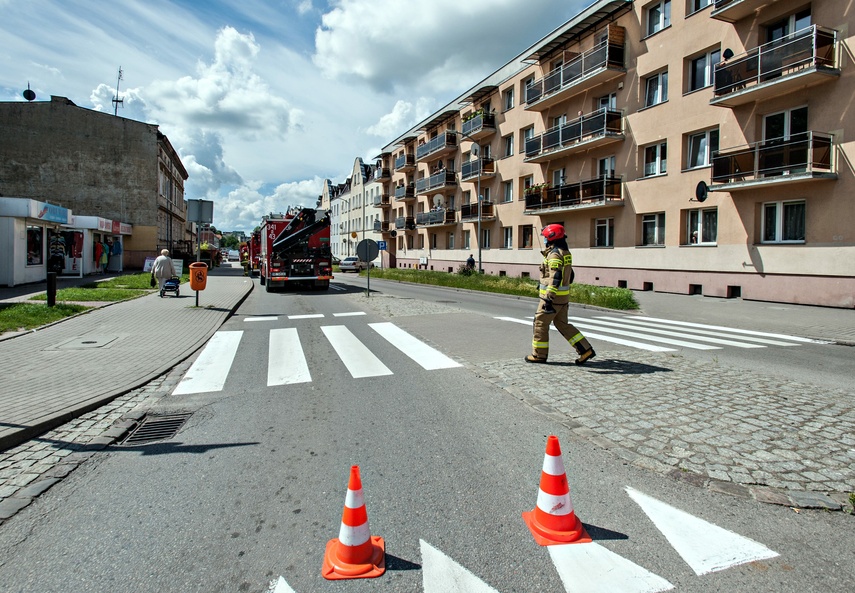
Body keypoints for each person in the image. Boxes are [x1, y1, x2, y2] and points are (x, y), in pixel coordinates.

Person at [525, 224, 596, 365]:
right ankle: (585, 349)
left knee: (540, 323)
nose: (544, 239)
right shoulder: (565, 252)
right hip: (563, 298)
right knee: (562, 324)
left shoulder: (554, 254)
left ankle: (539, 355)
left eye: (545, 237)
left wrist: (548, 298)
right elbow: (569, 275)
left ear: (551, 237)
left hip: (552, 298)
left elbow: (556, 276)